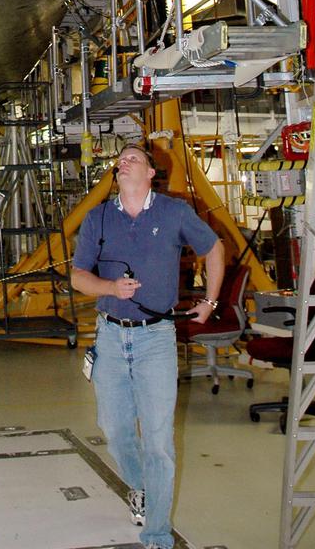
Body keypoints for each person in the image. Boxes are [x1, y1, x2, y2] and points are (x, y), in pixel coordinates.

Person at [70, 143, 224, 549]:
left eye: (133, 158)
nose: (123, 163)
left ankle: (157, 534)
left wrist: (210, 302)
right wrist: (110, 288)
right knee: (115, 430)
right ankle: (139, 486)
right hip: (109, 336)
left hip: (156, 338)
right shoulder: (99, 218)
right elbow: (78, 276)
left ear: (151, 173)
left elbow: (214, 248)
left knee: (158, 441)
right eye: (120, 159)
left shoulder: (174, 212)